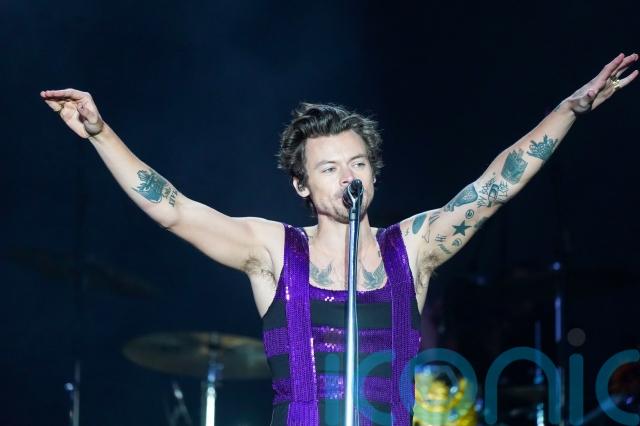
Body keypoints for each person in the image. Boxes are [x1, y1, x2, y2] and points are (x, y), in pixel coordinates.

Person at [41, 52, 638, 425]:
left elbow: (492, 188)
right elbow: (174, 210)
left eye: (357, 164)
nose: (348, 176)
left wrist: (569, 110)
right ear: (301, 184)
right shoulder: (273, 250)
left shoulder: (414, 247)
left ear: (373, 174)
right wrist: (101, 134)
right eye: (328, 168)